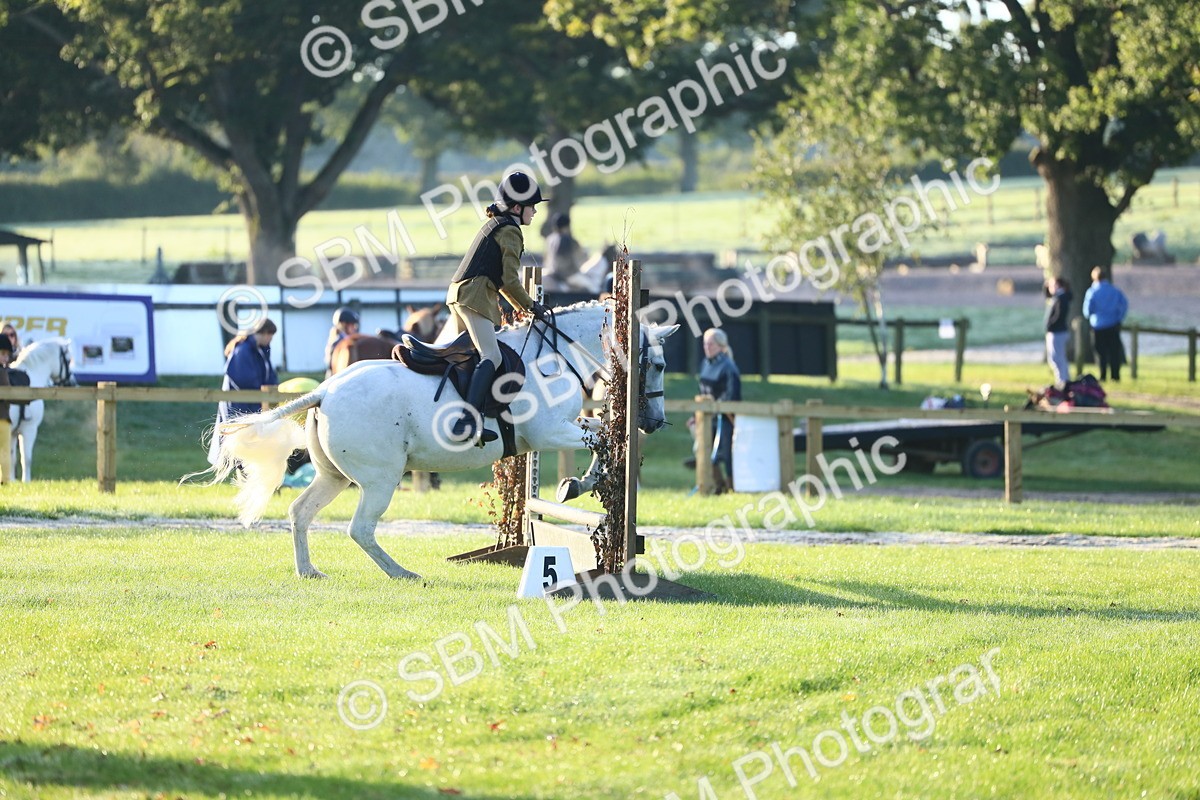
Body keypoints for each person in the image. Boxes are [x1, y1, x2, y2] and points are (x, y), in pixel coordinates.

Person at [444, 170, 550, 445]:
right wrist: (531, 306)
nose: (535, 212)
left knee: (464, 357)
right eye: (532, 206)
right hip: (474, 296)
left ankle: (456, 411)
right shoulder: (510, 231)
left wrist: (523, 306)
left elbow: (504, 283)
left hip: (460, 293)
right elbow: (510, 281)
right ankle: (466, 421)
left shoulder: (495, 224)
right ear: (517, 208)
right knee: (491, 355)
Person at [209, 318, 279, 465]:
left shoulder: (260, 350)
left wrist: (273, 389)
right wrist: (264, 391)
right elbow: (244, 379)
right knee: (241, 447)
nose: (271, 340)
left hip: (254, 403)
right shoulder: (243, 350)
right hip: (242, 405)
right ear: (265, 333)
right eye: (270, 336)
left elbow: (269, 375)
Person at [695, 328, 741, 494]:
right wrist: (696, 415)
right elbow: (702, 392)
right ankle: (718, 485)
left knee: (727, 454)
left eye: (711, 343)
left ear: (721, 346)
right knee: (704, 451)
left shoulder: (729, 367)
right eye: (705, 343)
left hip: (726, 418)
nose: (707, 347)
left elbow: (732, 395)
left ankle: (732, 488)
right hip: (707, 417)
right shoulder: (705, 363)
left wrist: (717, 408)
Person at [1082, 266, 1129, 382]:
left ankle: (1103, 375)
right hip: (1113, 324)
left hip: (1098, 326)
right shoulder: (1114, 290)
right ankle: (1115, 375)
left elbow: (1087, 311)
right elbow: (1124, 304)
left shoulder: (1092, 292)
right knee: (1114, 351)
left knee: (1100, 352)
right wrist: (1119, 317)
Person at [542, 213, 589, 292]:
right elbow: (576, 257)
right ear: (567, 226)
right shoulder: (566, 239)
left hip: (551, 271)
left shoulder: (550, 238)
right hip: (566, 275)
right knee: (591, 286)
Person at [1043, 276, 1072, 386]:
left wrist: (1050, 325)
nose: (1049, 287)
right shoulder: (1057, 297)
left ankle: (1062, 380)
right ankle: (1063, 379)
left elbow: (1059, 315)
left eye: (1051, 285)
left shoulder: (1061, 298)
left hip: (1057, 331)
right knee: (1057, 357)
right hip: (1057, 331)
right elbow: (1046, 294)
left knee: (1057, 358)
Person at [325, 307, 360, 377]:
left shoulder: (353, 340)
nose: (354, 328)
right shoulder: (336, 342)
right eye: (352, 325)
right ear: (343, 325)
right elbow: (331, 366)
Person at [0, 332, 12, 485]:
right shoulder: (2, 373)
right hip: (2, 417)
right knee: (4, 450)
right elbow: (8, 392)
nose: (6, 358)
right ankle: (6, 480)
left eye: (7, 354)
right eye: (3, 354)